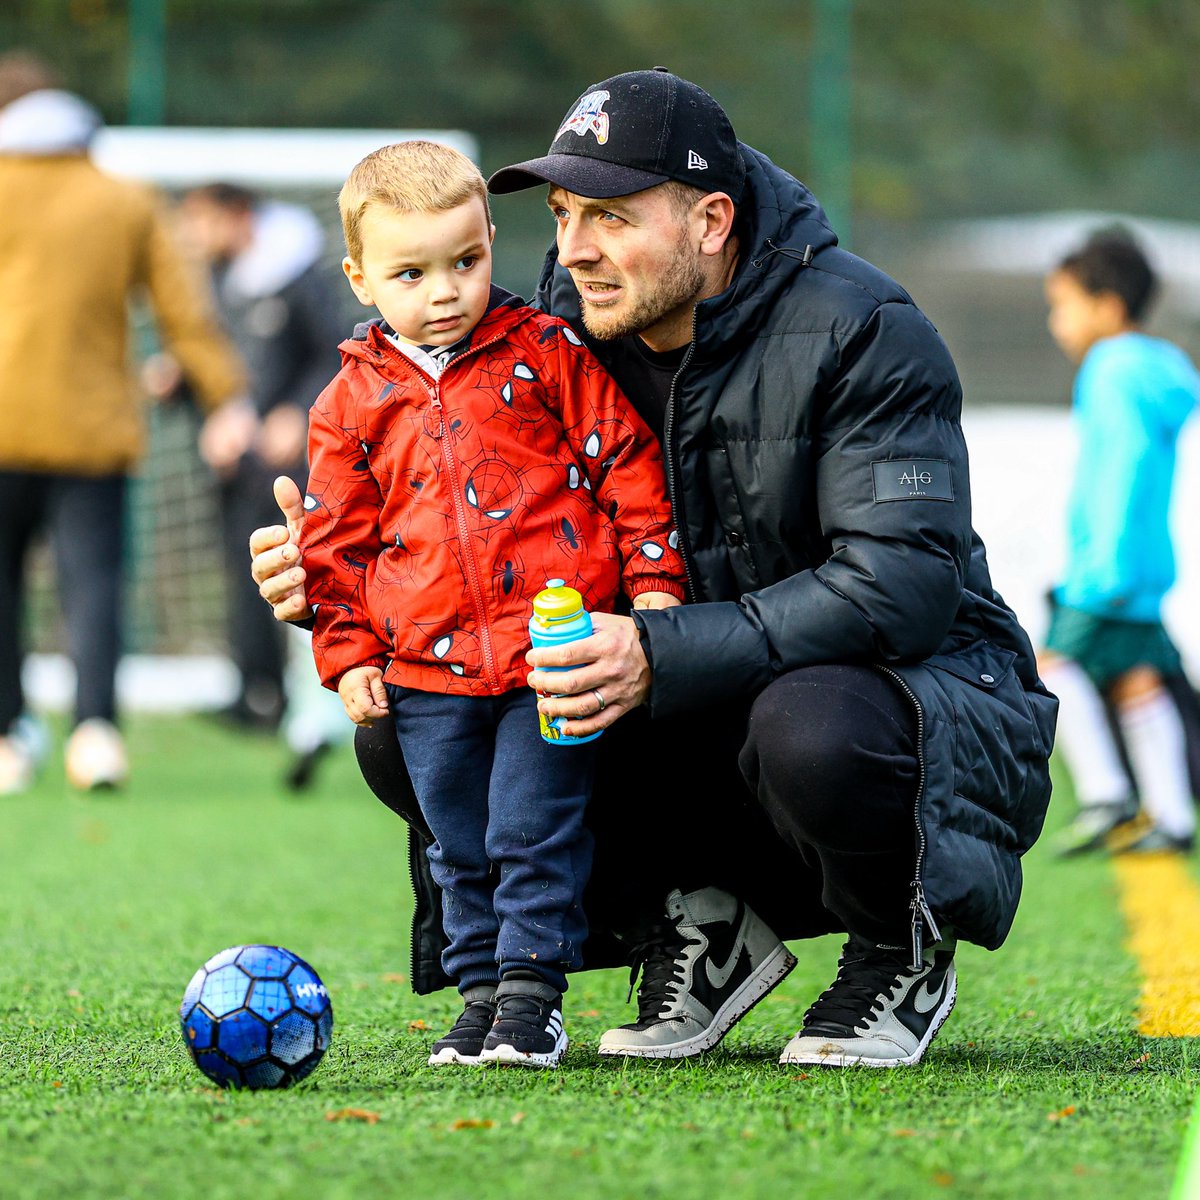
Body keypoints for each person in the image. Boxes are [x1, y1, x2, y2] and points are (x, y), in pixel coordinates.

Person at [252, 69, 1057, 1068]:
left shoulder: (867, 330)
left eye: (611, 216)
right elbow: (474, 541)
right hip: (690, 696)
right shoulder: (548, 326)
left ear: (712, 219)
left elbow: (901, 591)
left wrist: (657, 646)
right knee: (417, 720)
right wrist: (339, 586)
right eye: (560, 214)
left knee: (811, 726)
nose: (575, 247)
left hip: (916, 706)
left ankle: (898, 944)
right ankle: (696, 918)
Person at [303, 140, 686, 1068]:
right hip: (427, 670)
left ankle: (531, 1000)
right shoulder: (349, 403)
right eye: (412, 272)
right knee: (457, 841)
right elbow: (334, 544)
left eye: (465, 261)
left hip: (550, 656)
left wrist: (653, 582)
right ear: (360, 277)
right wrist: (349, 654)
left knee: (530, 825)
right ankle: (479, 996)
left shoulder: (546, 352)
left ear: (489, 243)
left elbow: (626, 463)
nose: (445, 290)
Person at [0, 52, 247, 793]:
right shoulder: (126, 199)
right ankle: (95, 734)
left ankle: (8, 739)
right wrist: (224, 395)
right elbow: (185, 312)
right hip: (94, 430)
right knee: (95, 583)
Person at [1039, 230, 1198, 855]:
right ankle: (1173, 817)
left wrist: (1101, 565)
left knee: (1052, 669)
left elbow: (1125, 468)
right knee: (1137, 682)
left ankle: (1106, 795)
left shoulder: (1111, 368)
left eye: (1064, 304)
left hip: (1110, 565)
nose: (1058, 321)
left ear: (1107, 306)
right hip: (1145, 563)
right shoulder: (1156, 368)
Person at [170, 182, 349, 736]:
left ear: (237, 215)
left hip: (293, 465)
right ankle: (254, 692)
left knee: (299, 571)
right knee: (243, 572)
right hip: (236, 461)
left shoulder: (300, 276)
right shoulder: (220, 279)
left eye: (203, 221)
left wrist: (296, 412)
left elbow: (335, 351)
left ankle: (312, 700)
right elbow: (218, 359)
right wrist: (181, 384)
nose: (195, 236)